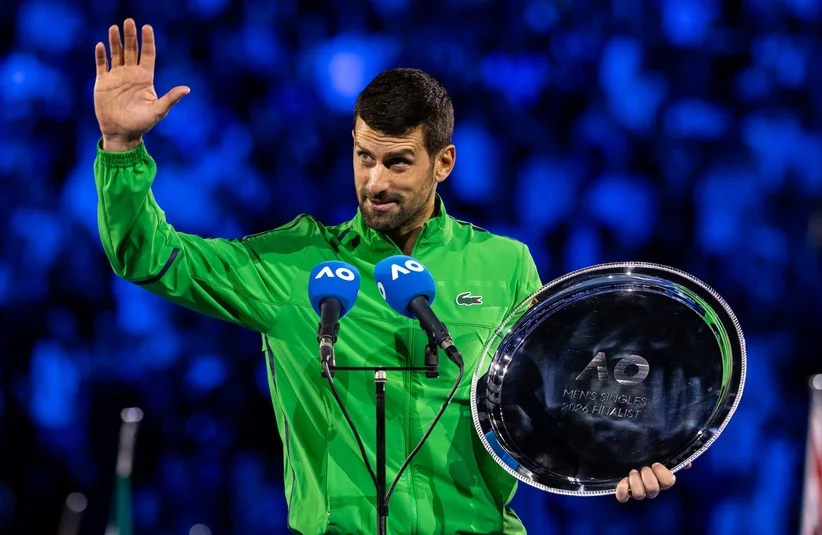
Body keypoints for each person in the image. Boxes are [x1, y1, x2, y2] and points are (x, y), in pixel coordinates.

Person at [92, 18, 684, 534]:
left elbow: (553, 410)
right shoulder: (292, 263)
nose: (375, 182)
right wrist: (121, 147)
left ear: (443, 162)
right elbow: (148, 257)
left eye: (398, 162)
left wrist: (622, 461)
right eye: (364, 156)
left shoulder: (504, 265)